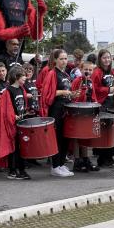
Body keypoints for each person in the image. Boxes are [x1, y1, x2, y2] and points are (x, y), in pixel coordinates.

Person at [41, 49, 75, 177]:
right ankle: (55, 166)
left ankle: (61, 164)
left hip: (65, 108)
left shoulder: (65, 74)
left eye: (66, 58)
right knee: (57, 138)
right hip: (56, 109)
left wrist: (72, 94)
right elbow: (47, 94)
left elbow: (68, 90)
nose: (64, 61)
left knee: (65, 137)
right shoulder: (52, 73)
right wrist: (63, 92)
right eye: (61, 59)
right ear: (55, 60)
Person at [0, 66, 32, 180]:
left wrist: (26, 111)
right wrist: (13, 116)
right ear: (16, 77)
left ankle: (21, 169)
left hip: (20, 123)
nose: (25, 78)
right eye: (23, 76)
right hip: (12, 125)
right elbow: (6, 108)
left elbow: (23, 103)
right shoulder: (9, 91)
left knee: (21, 147)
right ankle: (13, 170)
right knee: (13, 148)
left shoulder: (21, 89)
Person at [70, 60, 100, 172]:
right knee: (77, 137)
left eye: (90, 70)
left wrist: (96, 105)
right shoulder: (77, 81)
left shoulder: (90, 81)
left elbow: (93, 96)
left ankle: (85, 159)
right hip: (78, 111)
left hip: (88, 111)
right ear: (81, 70)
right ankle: (77, 160)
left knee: (85, 136)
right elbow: (73, 96)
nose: (87, 71)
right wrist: (83, 91)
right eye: (85, 69)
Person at [91, 49, 114, 167]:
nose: (107, 60)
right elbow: (94, 88)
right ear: (100, 59)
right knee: (103, 132)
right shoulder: (97, 72)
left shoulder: (112, 71)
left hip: (111, 103)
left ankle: (110, 156)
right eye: (104, 58)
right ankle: (102, 158)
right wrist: (107, 90)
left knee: (111, 131)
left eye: (108, 57)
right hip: (102, 104)